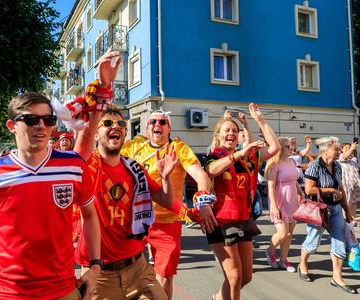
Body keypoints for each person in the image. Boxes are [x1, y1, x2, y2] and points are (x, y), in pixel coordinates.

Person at [0, 95, 103, 298]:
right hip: (9, 293)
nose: (41, 126)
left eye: (49, 120)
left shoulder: (73, 166)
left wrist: (95, 265)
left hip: (63, 291)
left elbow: (90, 215)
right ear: (11, 126)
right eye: (31, 120)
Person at [75, 106, 176, 300]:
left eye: (120, 123)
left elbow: (165, 200)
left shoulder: (134, 169)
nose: (116, 126)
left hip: (138, 269)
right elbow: (79, 151)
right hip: (100, 274)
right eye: (107, 123)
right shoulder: (87, 167)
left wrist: (166, 178)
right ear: (95, 135)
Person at [120, 110, 216, 299]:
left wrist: (203, 201)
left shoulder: (178, 148)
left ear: (169, 128)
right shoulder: (134, 146)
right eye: (153, 122)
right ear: (147, 128)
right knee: (127, 275)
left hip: (168, 222)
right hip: (135, 220)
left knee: (164, 277)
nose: (158, 124)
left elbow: (200, 175)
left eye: (163, 122)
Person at [205, 103, 279, 300]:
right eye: (227, 130)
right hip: (220, 222)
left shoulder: (248, 159)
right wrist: (237, 154)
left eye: (234, 130)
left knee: (246, 277)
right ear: (219, 135)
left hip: (244, 219)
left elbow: (274, 148)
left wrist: (260, 121)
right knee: (234, 277)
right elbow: (213, 170)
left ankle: (217, 298)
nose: (231, 133)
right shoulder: (214, 156)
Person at [298, 137, 356, 294]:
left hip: (336, 208)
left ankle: (337, 277)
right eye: (336, 149)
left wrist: (348, 212)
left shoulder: (337, 165)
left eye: (338, 149)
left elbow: (341, 189)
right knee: (313, 242)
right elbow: (308, 190)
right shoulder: (314, 166)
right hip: (319, 209)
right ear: (324, 150)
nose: (339, 152)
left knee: (340, 241)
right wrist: (330, 190)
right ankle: (302, 264)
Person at [264, 137, 305, 273]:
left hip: (292, 200)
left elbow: (295, 180)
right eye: (288, 146)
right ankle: (270, 251)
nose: (292, 148)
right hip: (280, 201)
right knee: (282, 233)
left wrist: (301, 193)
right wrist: (274, 207)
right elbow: (270, 187)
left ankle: (283, 260)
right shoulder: (274, 164)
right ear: (280, 148)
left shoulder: (292, 161)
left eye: (292, 146)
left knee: (289, 234)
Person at [338, 142, 360, 221]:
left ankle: (352, 219)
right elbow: (345, 156)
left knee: (353, 203)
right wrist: (352, 148)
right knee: (346, 202)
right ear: (342, 150)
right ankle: (345, 219)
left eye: (349, 147)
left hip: (355, 185)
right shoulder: (341, 157)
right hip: (346, 184)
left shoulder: (353, 159)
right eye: (346, 147)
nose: (348, 148)